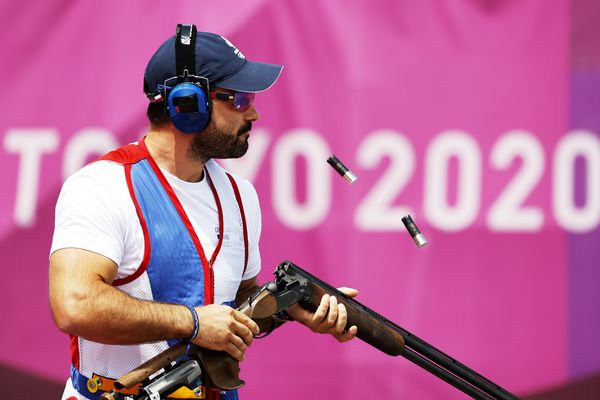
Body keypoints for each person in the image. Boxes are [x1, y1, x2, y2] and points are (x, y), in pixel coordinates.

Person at [49, 24, 358, 400]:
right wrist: (193, 323)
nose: (255, 113)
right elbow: (74, 306)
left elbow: (239, 300)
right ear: (188, 103)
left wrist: (294, 308)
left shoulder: (240, 196)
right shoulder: (103, 185)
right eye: (240, 98)